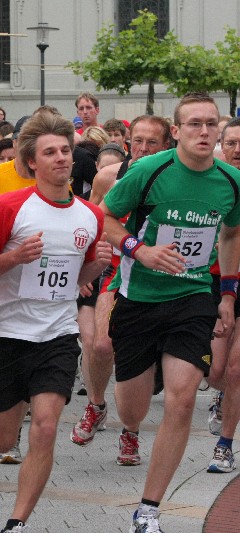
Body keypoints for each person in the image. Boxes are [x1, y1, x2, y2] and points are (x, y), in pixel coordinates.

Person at [99, 93, 240, 532]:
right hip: (139, 298)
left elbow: (231, 234)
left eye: (211, 124)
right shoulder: (148, 171)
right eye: (195, 123)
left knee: (181, 399)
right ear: (176, 131)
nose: (204, 131)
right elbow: (105, 217)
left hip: (193, 297)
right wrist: (139, 250)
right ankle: (135, 411)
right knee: (133, 410)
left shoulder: (231, 181)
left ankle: (148, 510)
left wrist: (227, 294)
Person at [0, 112, 110, 533]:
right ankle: (14, 410)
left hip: (57, 334)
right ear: (32, 162)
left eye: (65, 150)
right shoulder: (7, 208)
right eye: (49, 152)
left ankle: (17, 522)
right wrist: (15, 257)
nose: (61, 158)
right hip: (6, 334)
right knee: (2, 440)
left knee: (47, 426)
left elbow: (78, 279)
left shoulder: (90, 216)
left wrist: (96, 267)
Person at [69, 115, 171, 449]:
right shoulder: (108, 177)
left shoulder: (175, 179)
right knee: (100, 345)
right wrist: (83, 267)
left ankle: (131, 430)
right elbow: (88, 222)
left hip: (161, 276)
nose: (143, 148)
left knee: (141, 357)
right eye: (137, 141)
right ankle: (96, 405)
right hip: (115, 272)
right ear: (127, 142)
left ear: (166, 145)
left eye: (152, 143)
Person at [204, 117, 240, 473]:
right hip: (216, 282)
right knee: (216, 371)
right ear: (222, 146)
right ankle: (223, 394)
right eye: (231, 143)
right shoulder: (211, 182)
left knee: (236, 368)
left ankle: (224, 446)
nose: (238, 150)